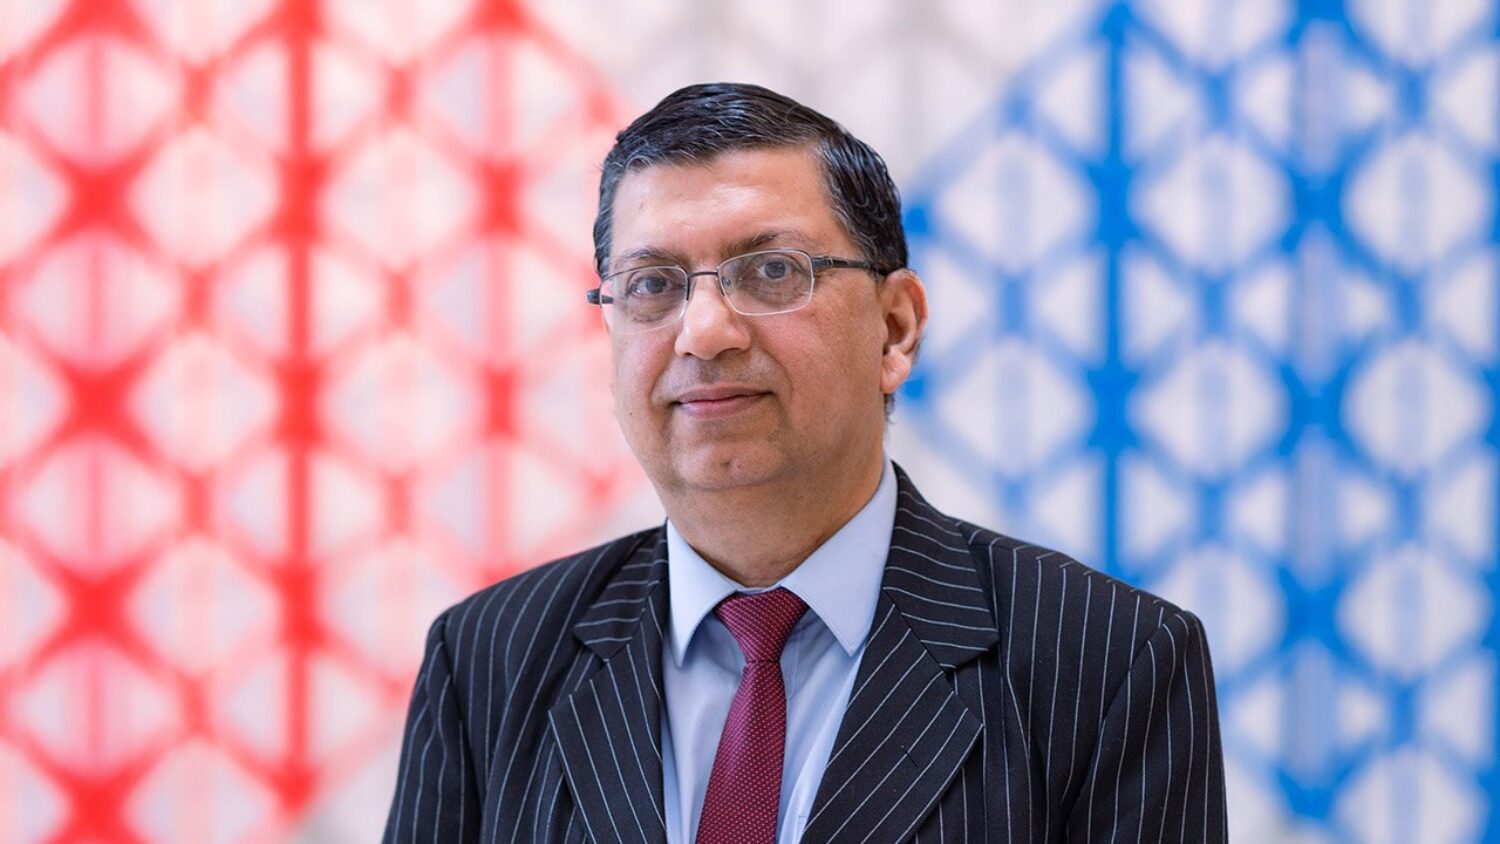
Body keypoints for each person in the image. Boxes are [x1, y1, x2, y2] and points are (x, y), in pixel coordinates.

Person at [383, 82, 1227, 844]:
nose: (704, 331)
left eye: (772, 271)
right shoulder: (488, 657)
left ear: (895, 328)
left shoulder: (1111, 660)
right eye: (652, 285)